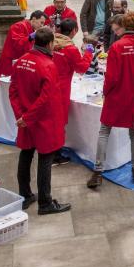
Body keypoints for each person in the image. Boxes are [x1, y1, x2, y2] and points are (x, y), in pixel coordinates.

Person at [9, 27, 72, 215]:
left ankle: (25, 194)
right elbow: (46, 98)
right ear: (50, 43)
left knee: (26, 155)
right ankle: (45, 202)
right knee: (45, 159)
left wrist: (21, 116)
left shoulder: (21, 61)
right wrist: (27, 118)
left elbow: (13, 91)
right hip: (43, 120)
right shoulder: (47, 65)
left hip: (26, 118)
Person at [87, 11, 134, 188]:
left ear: (123, 26)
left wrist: (105, 92)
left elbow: (112, 77)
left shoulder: (117, 47)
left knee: (104, 131)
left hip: (117, 94)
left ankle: (98, 172)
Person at [50, 18, 93, 165]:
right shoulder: (70, 48)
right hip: (60, 88)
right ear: (74, 31)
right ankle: (55, 154)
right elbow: (81, 68)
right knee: (59, 121)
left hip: (47, 83)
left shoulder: (50, 41)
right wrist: (88, 53)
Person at [0, 11, 46, 86]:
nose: (42, 25)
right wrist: (31, 37)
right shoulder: (18, 26)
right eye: (41, 23)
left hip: (20, 62)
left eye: (43, 23)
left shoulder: (31, 28)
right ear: (34, 19)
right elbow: (18, 44)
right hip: (10, 62)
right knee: (8, 88)